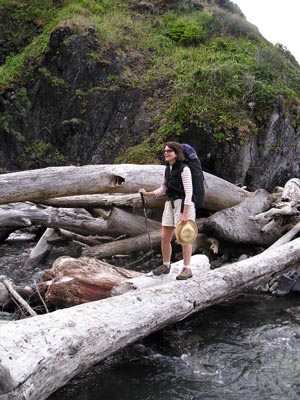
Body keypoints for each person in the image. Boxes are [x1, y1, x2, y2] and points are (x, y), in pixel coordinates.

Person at [138, 141, 196, 280]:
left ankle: (187, 269)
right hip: (169, 204)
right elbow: (163, 189)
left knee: (184, 238)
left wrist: (185, 213)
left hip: (183, 204)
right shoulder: (167, 169)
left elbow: (189, 192)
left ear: (176, 153)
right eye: (165, 151)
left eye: (169, 151)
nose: (166, 153)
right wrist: (147, 194)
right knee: (165, 237)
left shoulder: (184, 169)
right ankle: (166, 265)